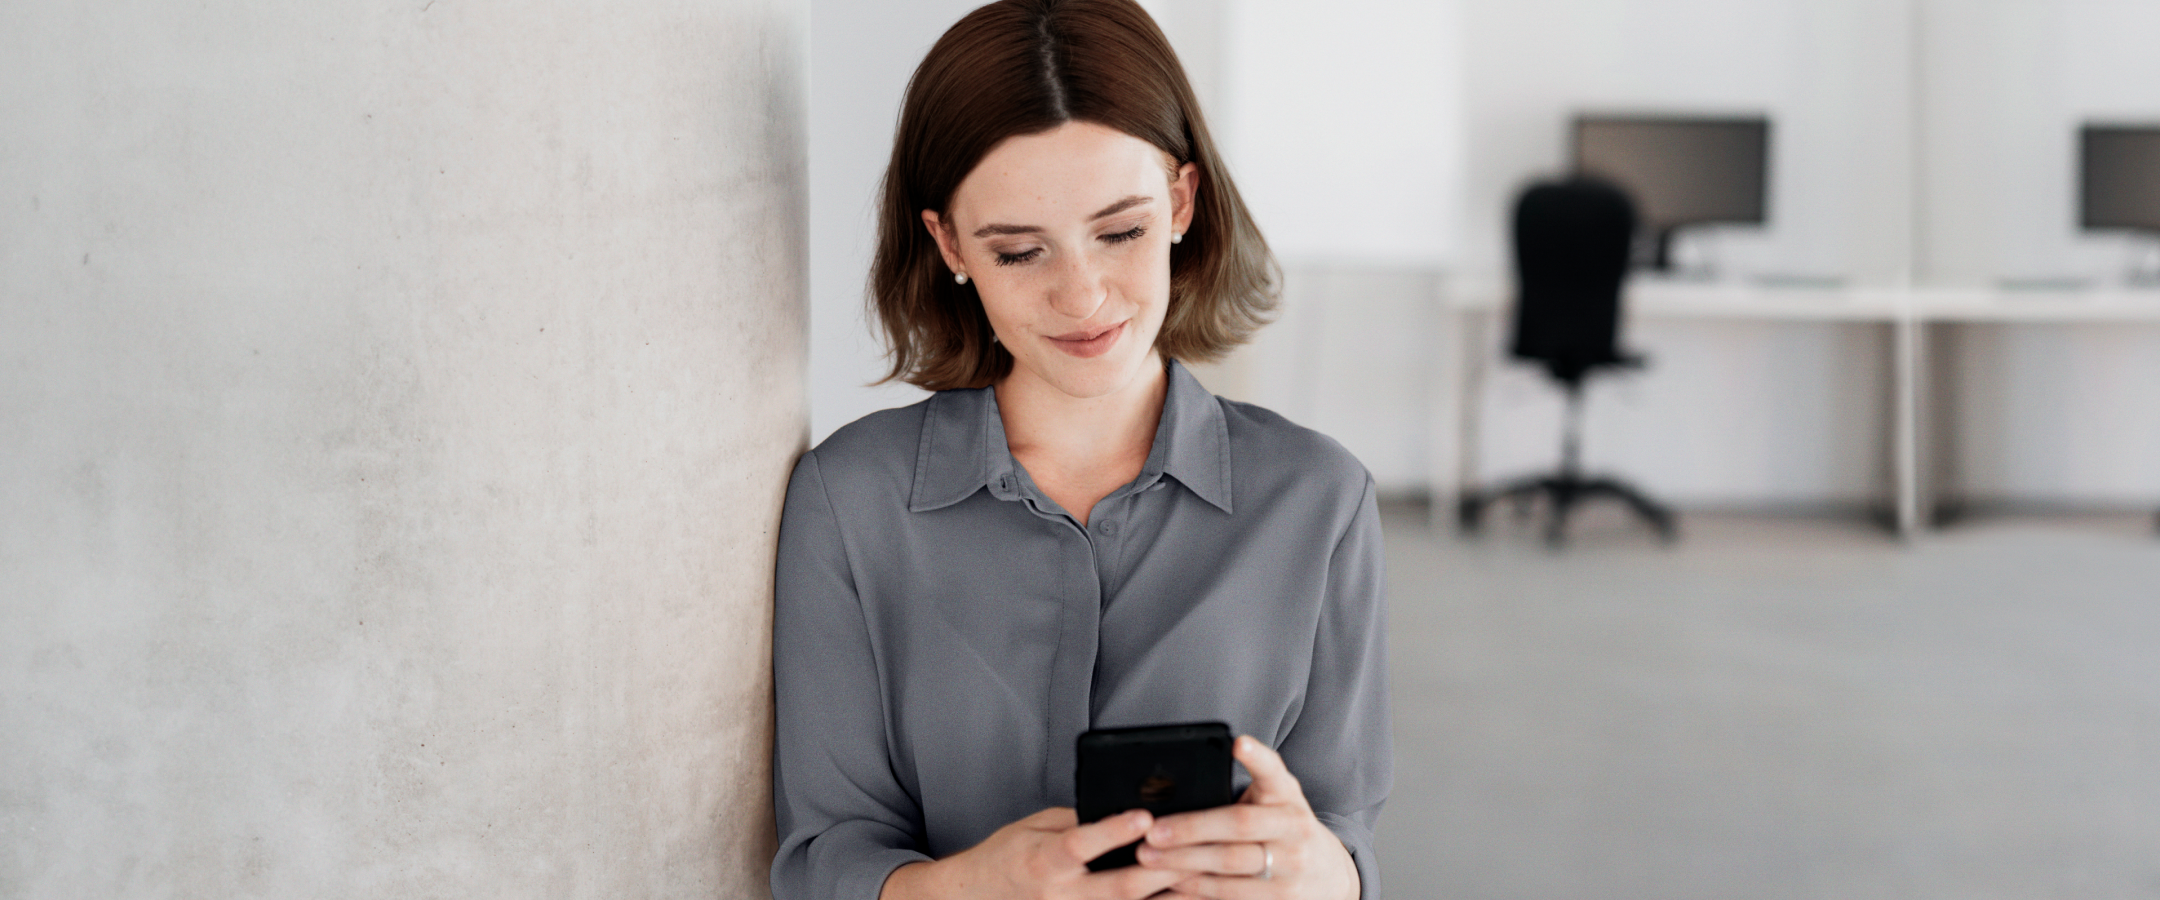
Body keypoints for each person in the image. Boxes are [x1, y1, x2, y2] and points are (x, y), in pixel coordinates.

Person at [770, 1, 1391, 897]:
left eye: (1121, 231)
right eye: (1020, 252)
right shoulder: (849, 500)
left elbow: (1346, 833)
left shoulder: (1319, 499)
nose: (1082, 295)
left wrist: (1314, 874)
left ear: (1181, 202)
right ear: (948, 244)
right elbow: (822, 858)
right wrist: (967, 889)